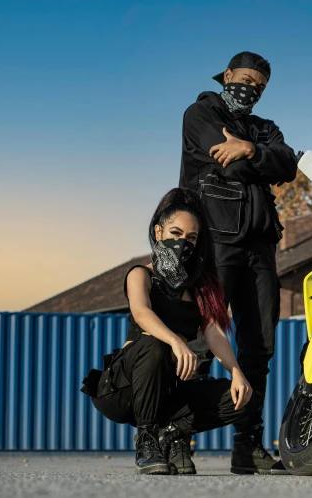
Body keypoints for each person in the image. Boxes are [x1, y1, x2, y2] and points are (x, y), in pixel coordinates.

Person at [178, 51, 297, 474]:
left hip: (261, 247)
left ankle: (247, 447)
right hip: (215, 242)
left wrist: (249, 147)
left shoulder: (266, 128)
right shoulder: (200, 112)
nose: (251, 89)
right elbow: (225, 160)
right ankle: (177, 439)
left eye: (260, 86)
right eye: (245, 79)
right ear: (228, 75)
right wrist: (258, 159)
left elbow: (289, 163)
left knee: (260, 347)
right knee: (200, 340)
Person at [82, 188, 256, 475]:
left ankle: (172, 431)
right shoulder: (141, 274)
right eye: (175, 233)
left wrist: (236, 370)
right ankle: (147, 440)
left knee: (243, 395)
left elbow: (214, 333)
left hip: (169, 389)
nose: (182, 242)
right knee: (155, 345)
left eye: (191, 238)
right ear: (158, 231)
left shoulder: (200, 287)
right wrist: (175, 340)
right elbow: (142, 312)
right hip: (125, 389)